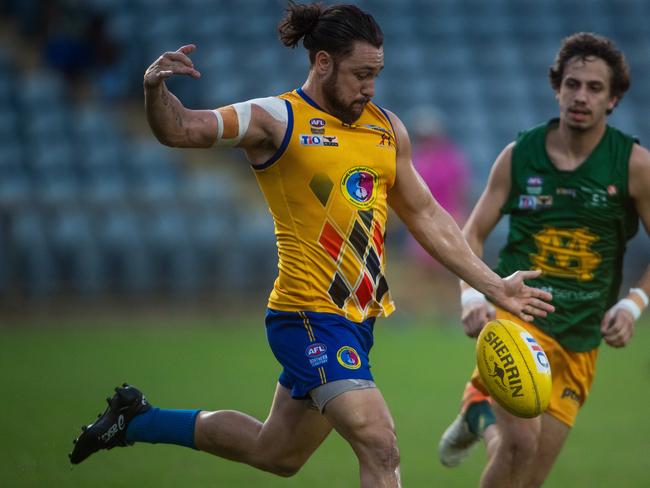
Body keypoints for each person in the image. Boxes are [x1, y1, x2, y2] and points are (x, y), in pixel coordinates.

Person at [69, 3, 553, 486]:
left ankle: (136, 419)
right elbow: (181, 129)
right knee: (380, 443)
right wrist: (154, 88)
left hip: (357, 322)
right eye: (361, 74)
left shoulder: (387, 128)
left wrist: (494, 285)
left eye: (376, 74)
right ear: (322, 62)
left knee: (276, 452)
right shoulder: (275, 119)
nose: (370, 87)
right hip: (306, 316)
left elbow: (427, 215)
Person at [437, 32, 650, 488]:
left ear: (613, 99)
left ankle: (478, 413)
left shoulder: (633, 165)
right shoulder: (520, 156)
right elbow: (470, 232)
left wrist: (634, 304)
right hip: (518, 321)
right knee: (520, 445)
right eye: (572, 84)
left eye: (595, 88)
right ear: (557, 87)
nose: (581, 96)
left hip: (581, 336)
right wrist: (473, 294)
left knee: (526, 476)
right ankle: (483, 411)